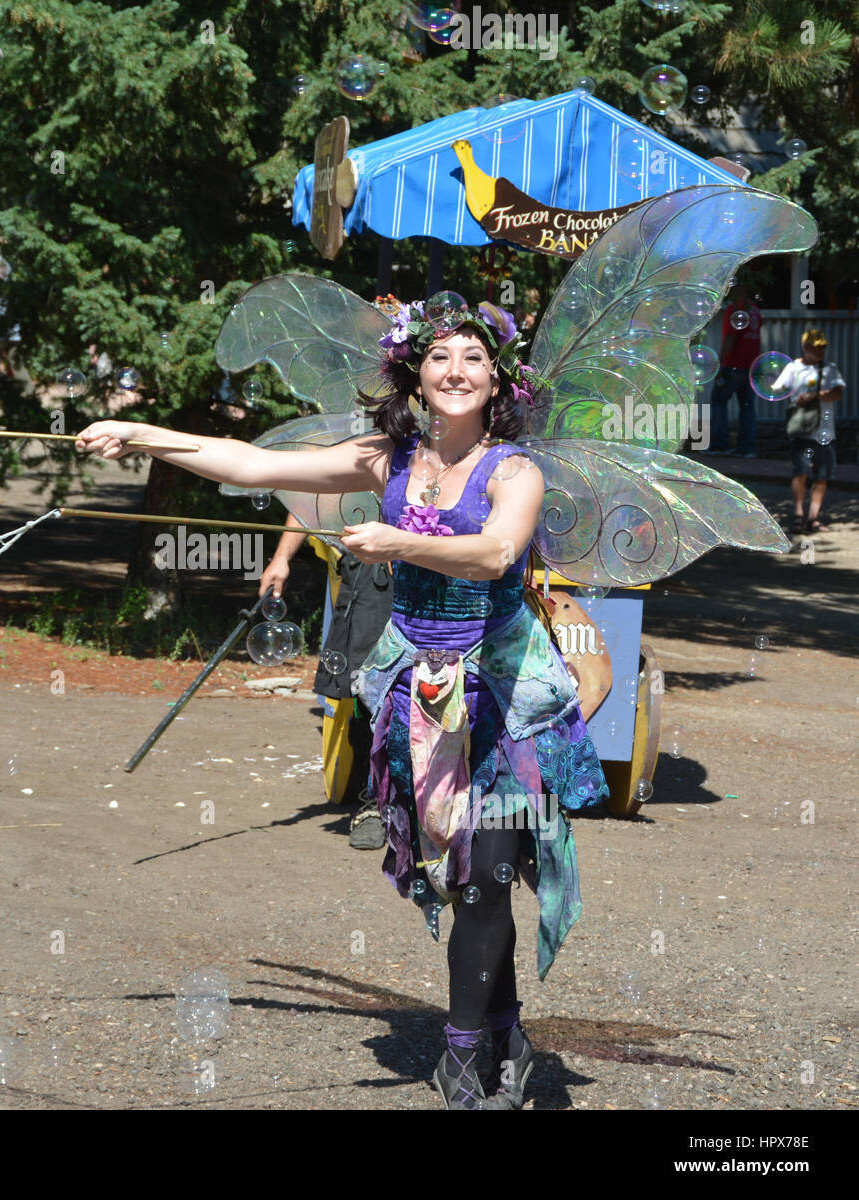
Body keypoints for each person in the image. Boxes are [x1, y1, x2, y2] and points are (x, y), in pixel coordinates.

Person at [77, 297, 610, 1110]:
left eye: (473, 357)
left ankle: (462, 1055)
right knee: (462, 868)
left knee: (492, 870)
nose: (457, 371)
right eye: (440, 358)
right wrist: (142, 435)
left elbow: (497, 550)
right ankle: (504, 1024)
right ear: (415, 375)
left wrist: (402, 543)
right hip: (421, 693)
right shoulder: (382, 460)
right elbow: (252, 466)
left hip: (504, 692)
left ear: (496, 378)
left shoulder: (515, 470)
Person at [259, 512, 393, 848]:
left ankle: (429, 804)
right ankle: (371, 803)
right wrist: (281, 557)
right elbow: (313, 495)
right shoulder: (367, 457)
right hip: (369, 569)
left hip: (437, 561)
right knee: (363, 687)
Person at [774, 329, 844, 535]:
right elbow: (777, 389)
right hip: (801, 430)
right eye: (816, 347)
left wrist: (816, 394)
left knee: (822, 476)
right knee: (801, 472)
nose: (821, 351)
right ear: (805, 347)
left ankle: (813, 517)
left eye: (823, 347)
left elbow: (838, 393)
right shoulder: (792, 368)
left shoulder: (830, 369)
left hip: (824, 431)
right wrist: (796, 397)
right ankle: (798, 515)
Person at [708, 284, 761, 457]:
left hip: (733, 366)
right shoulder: (755, 311)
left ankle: (719, 445)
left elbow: (730, 339)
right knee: (747, 407)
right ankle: (747, 449)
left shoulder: (735, 310)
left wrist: (720, 364)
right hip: (751, 366)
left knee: (718, 401)